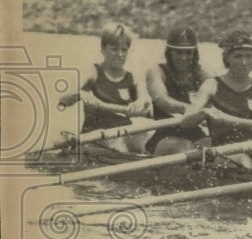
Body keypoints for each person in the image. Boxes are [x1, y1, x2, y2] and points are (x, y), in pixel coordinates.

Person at [185, 30, 252, 171]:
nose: (244, 62)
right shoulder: (212, 85)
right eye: (238, 56)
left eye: (248, 56)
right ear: (227, 58)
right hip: (223, 150)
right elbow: (186, 121)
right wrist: (203, 113)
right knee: (243, 161)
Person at [60, 22, 153, 154]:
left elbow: (144, 97)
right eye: (114, 49)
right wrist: (80, 94)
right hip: (96, 135)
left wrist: (139, 102)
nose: (120, 54)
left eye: (124, 50)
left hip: (124, 133)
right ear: (103, 49)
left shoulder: (133, 78)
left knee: (146, 141)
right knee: (123, 145)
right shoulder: (93, 72)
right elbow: (63, 99)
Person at [144, 24, 212, 156]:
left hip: (196, 134)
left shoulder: (203, 73)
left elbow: (218, 93)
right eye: (178, 52)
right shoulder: (157, 72)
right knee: (185, 147)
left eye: (188, 52)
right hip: (165, 134)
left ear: (195, 53)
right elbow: (162, 100)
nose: (183, 58)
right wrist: (189, 109)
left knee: (217, 146)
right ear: (169, 52)